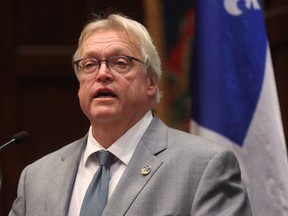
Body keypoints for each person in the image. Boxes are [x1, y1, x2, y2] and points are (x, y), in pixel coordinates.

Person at [9, 13, 252, 216]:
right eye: (90, 64)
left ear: (151, 82)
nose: (102, 74)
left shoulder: (205, 166)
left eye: (120, 62)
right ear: (79, 84)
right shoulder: (36, 178)